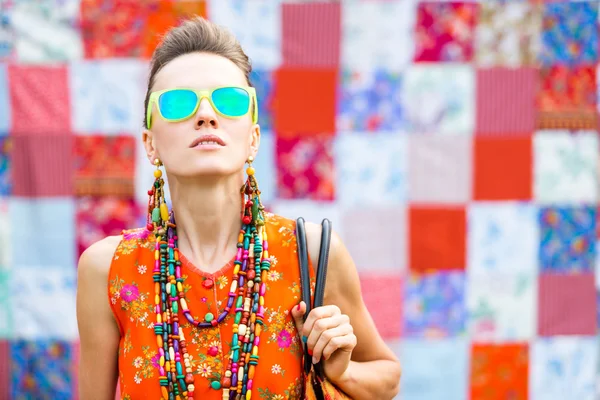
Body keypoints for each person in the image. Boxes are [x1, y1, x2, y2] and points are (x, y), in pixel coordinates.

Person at [76, 16, 401, 400]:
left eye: (229, 101)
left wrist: (341, 370)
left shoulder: (310, 254)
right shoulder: (107, 268)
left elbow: (387, 377)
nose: (206, 115)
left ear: (253, 138)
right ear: (150, 144)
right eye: (178, 103)